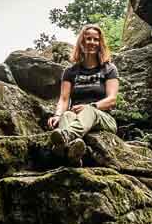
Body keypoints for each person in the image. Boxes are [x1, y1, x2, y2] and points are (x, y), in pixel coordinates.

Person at [48, 23, 119, 163]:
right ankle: (72, 154)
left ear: (100, 43)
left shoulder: (109, 69)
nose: (92, 42)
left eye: (96, 39)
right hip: (76, 116)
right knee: (67, 114)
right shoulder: (70, 72)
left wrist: (91, 106)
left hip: (103, 117)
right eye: (88, 39)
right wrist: (57, 115)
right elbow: (63, 99)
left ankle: (65, 137)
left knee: (89, 109)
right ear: (82, 42)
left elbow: (112, 99)